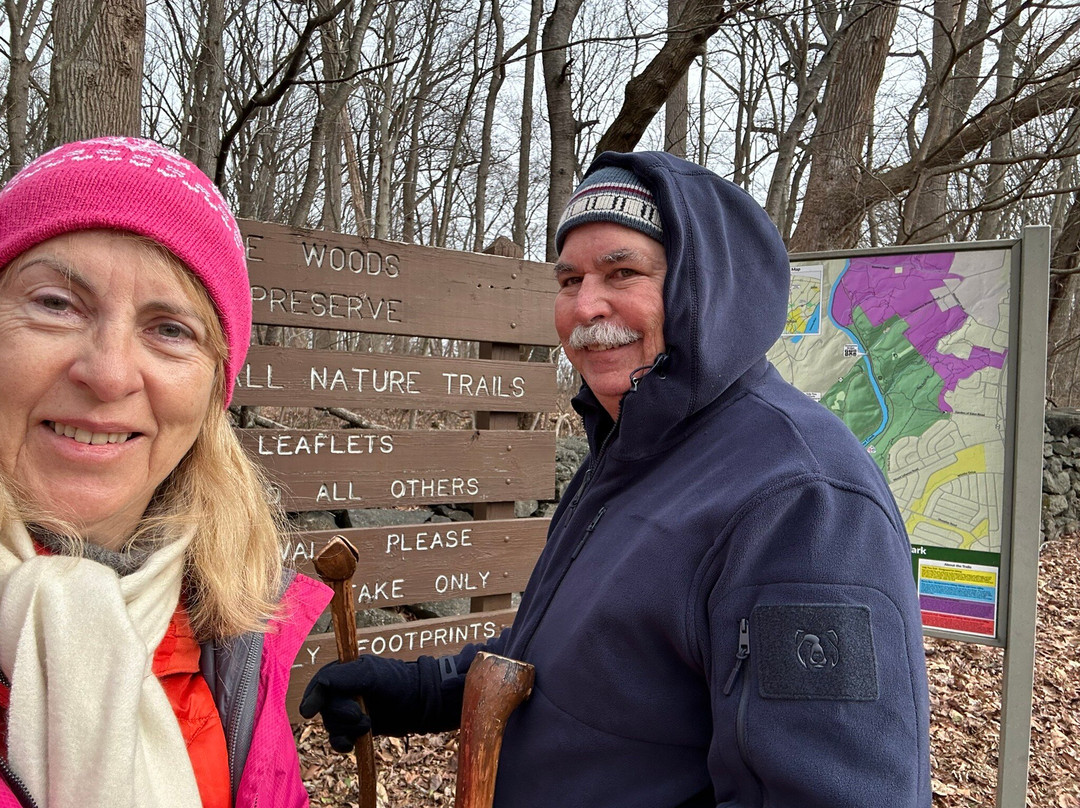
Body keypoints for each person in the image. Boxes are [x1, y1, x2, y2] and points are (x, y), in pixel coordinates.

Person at [300, 151, 932, 807]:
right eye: (569, 280)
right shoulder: (631, 449)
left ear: (701, 288)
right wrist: (422, 691)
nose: (585, 305)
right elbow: (573, 660)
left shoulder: (801, 496)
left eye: (621, 272)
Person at [0, 137, 331, 808]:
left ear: (214, 390)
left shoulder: (233, 631)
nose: (110, 373)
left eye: (171, 329)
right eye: (57, 304)